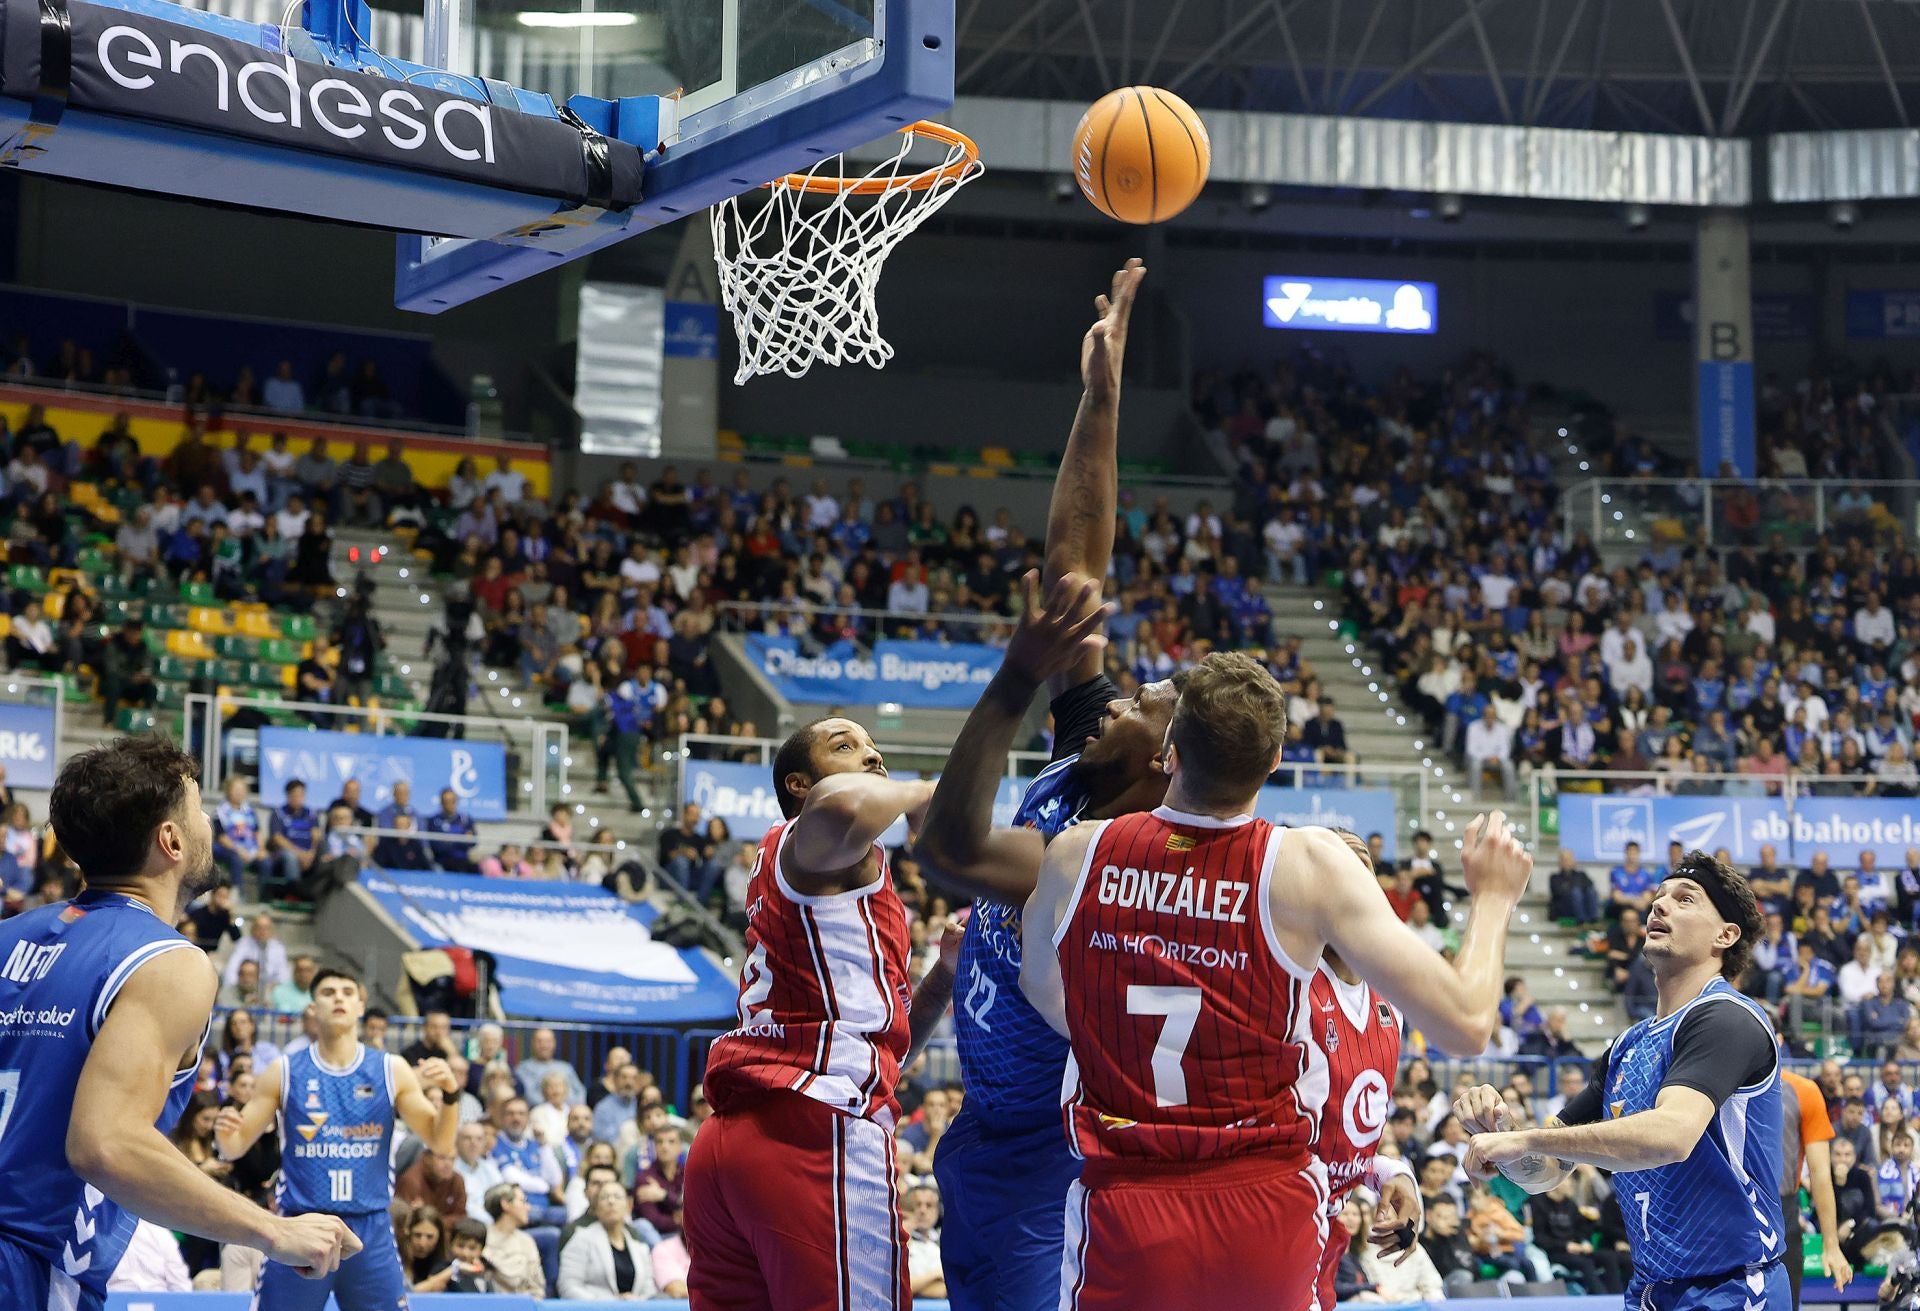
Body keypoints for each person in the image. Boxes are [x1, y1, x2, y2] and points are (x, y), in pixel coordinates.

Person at [1019, 651, 1534, 1310]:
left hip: (1128, 1197)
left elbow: (1044, 992)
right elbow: (1466, 1024)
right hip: (1263, 1200)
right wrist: (1491, 900)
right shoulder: (1301, 865)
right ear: (1276, 759)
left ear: (1170, 750)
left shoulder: (1075, 854)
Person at [913, 261, 1180, 1311]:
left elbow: (948, 848)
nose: (1118, 698)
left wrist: (1017, 675)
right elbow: (1075, 568)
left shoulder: (1108, 854)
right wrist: (1101, 401)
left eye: (1141, 705)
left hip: (1051, 1158)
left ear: (1162, 765)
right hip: (995, 1132)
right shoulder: (1099, 761)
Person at [0, 737, 357, 1305]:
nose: (209, 822)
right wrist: (274, 1231)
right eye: (199, 811)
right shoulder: (168, 961)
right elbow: (105, 1143)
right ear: (170, 841)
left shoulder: (7, 937)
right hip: (26, 1268)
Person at [1456, 851, 1847, 1310]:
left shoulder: (1728, 1018)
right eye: (1658, 898)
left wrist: (1525, 1140)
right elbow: (1544, 1173)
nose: (1659, 906)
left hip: (1733, 1290)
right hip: (1650, 1292)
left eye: (1685, 900)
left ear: (1726, 935)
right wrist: (1501, 1133)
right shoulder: (1627, 1046)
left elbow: (1672, 1135)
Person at [684, 717, 958, 1311]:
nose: (872, 756)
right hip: (811, 1132)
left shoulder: (836, 886)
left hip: (735, 1141)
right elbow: (841, 806)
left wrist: (944, 976)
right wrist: (927, 791)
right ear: (800, 786)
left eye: (873, 747)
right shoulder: (809, 839)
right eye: (846, 746)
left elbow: (884, 1051)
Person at [214, 965, 461, 1310]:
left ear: (361, 1006)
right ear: (312, 1009)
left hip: (369, 1227)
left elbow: (441, 1143)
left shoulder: (392, 1069)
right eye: (328, 993)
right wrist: (225, 1134)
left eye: (347, 992)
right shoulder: (284, 1070)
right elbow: (235, 1146)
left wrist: (451, 1095)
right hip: (301, 1224)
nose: (339, 998)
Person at [1780, 1065, 1850, 1307]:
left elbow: (1821, 1174)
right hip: (1730, 1211)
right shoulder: (1723, 1082)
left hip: (1782, 1212)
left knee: (1786, 1302)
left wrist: (1831, 1245)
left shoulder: (1803, 1090)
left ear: (1778, 1039)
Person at [558, 1179, 659, 1299]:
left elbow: (649, 1291)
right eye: (604, 1197)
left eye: (617, 1196)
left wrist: (634, 1303)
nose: (611, 1201)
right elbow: (568, 1286)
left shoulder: (639, 1246)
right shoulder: (580, 1240)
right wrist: (610, 1305)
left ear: (629, 1205)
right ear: (595, 1207)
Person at [482, 1183, 544, 1295]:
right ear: (505, 1204)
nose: (528, 1207)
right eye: (522, 1201)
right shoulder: (482, 1238)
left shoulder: (527, 1241)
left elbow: (537, 1288)